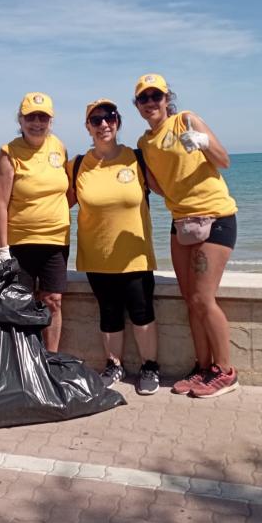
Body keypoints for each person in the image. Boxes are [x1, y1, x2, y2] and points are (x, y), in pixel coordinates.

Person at [134, 73, 239, 398]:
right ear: (137, 105)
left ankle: (225, 371)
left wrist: (203, 143)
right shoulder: (144, 143)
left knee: (204, 299)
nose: (151, 103)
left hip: (216, 216)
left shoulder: (186, 120)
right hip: (181, 221)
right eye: (144, 98)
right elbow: (156, 183)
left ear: (167, 99)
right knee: (190, 300)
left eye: (157, 96)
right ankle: (203, 368)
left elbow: (224, 161)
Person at [67, 99, 161, 395]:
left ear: (118, 121)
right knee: (108, 313)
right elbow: (56, 201)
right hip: (97, 256)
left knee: (142, 311)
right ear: (88, 127)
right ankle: (114, 365)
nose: (104, 124)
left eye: (109, 117)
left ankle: (150, 366)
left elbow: (169, 186)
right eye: (96, 120)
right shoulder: (79, 164)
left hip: (135, 255)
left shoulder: (137, 158)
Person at [0, 93, 70, 352]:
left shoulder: (58, 146)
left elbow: (66, 190)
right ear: (21, 119)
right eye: (31, 117)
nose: (37, 122)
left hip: (56, 240)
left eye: (43, 117)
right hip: (21, 242)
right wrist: (3, 249)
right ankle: (26, 362)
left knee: (53, 301)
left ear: (51, 120)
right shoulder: (9, 152)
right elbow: (1, 204)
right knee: (21, 304)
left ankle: (51, 358)